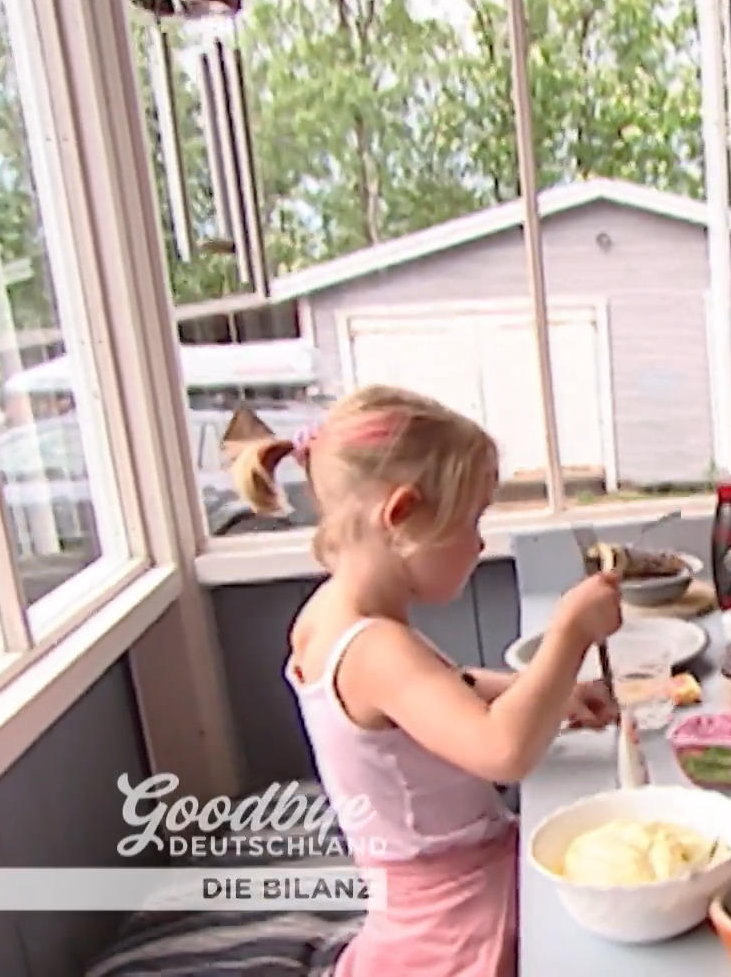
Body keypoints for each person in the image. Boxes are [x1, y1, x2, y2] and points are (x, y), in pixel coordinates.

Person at [232, 385, 625, 977]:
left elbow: (444, 688)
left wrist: (555, 698)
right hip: (457, 921)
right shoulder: (375, 648)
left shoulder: (329, 614)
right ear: (402, 516)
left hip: (424, 892)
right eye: (470, 521)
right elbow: (503, 751)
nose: (479, 541)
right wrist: (568, 634)